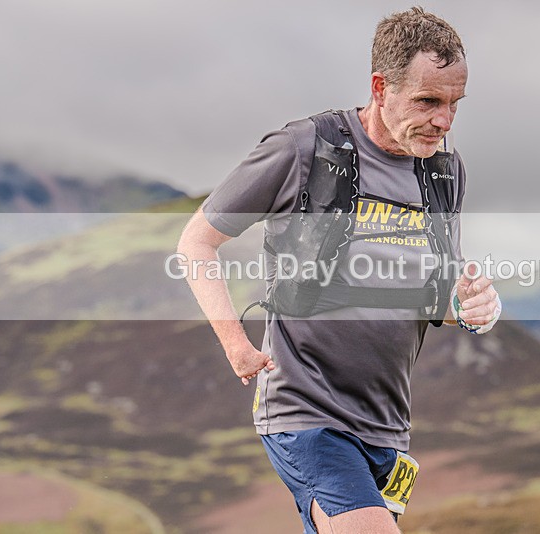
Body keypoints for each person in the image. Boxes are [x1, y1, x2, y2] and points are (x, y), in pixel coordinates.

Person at [177, 7, 501, 533]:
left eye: (453, 104)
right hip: (306, 414)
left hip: (387, 427)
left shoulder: (445, 172)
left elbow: (433, 293)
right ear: (380, 87)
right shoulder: (302, 149)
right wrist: (236, 343)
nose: (443, 120)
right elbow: (196, 241)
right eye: (427, 101)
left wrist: (475, 307)